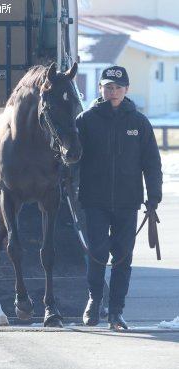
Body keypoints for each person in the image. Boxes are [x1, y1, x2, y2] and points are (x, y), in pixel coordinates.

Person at [76, 65, 163, 329]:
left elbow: (152, 163)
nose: (113, 92)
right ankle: (94, 300)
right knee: (97, 254)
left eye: (118, 87)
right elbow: (70, 159)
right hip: (95, 201)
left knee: (123, 256)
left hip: (128, 202)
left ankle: (116, 312)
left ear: (127, 90)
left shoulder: (139, 123)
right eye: (108, 87)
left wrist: (154, 196)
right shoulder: (85, 121)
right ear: (100, 88)